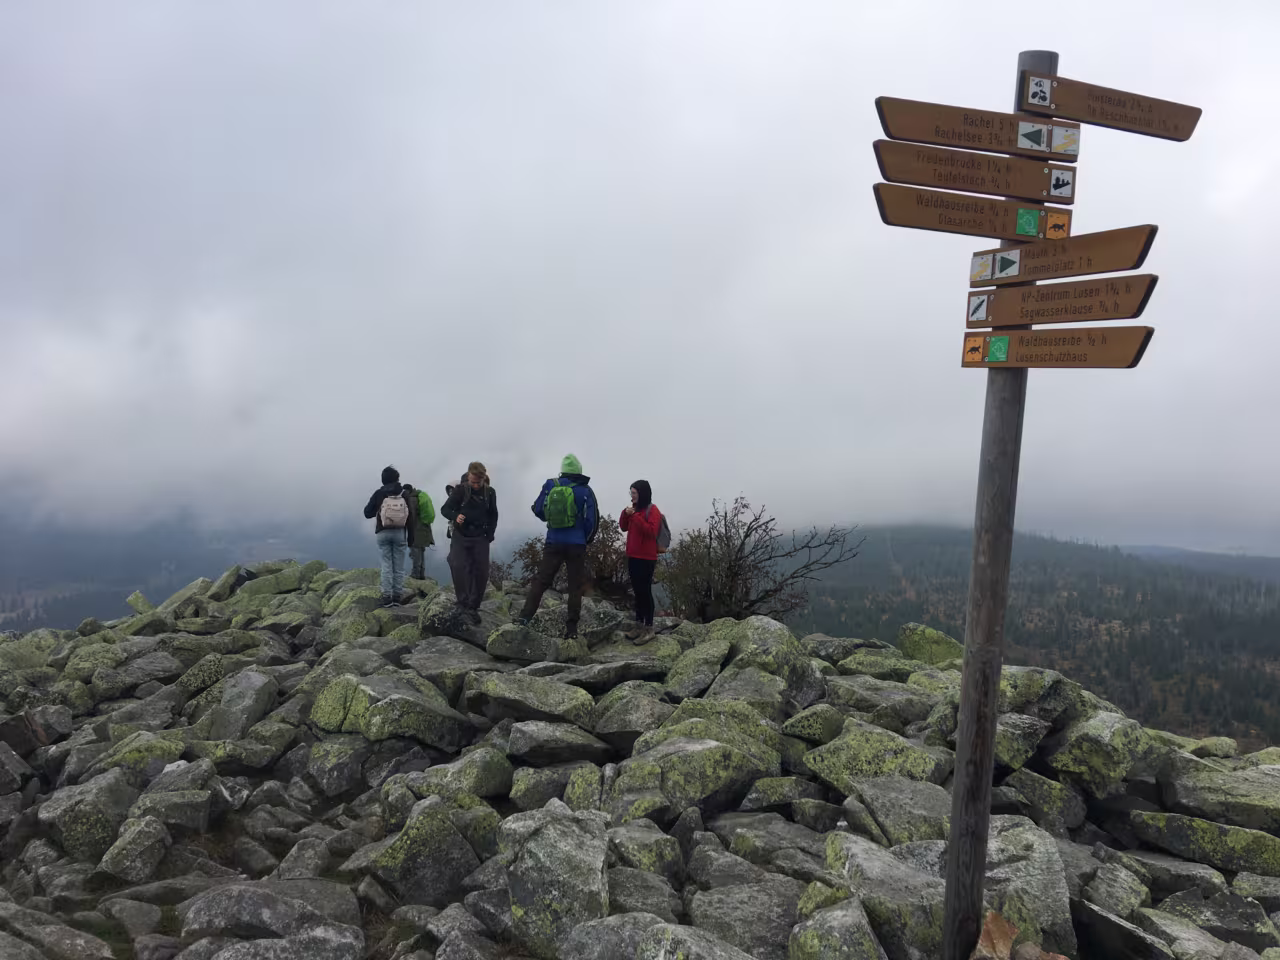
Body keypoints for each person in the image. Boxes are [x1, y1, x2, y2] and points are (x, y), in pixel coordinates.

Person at [515, 454, 599, 639]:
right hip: (576, 544)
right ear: (579, 471)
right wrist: (585, 538)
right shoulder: (585, 490)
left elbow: (539, 509)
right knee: (575, 586)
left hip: (553, 541)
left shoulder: (551, 485)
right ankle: (571, 629)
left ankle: (524, 618)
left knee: (541, 581)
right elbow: (592, 521)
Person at [441, 462, 498, 621]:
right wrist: (455, 516)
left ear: (483, 478)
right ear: (468, 476)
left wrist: (490, 534)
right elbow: (445, 509)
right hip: (461, 534)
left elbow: (493, 514)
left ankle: (473, 607)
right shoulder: (460, 490)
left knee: (481, 571)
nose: (475, 485)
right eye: (472, 482)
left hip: (480, 536)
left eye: (478, 482)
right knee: (457, 564)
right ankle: (462, 602)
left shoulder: (490, 492)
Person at [362, 465, 415, 606]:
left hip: (383, 532)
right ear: (397, 478)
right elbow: (411, 516)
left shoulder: (379, 493)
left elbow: (367, 513)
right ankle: (397, 597)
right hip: (400, 533)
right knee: (398, 567)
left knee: (386, 565)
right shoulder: (404, 493)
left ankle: (386, 598)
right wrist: (411, 538)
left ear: (383, 479)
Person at [619, 479, 662, 631]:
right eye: (631, 493)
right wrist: (625, 513)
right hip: (633, 556)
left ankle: (649, 627)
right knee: (637, 591)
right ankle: (638, 624)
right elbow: (623, 527)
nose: (632, 496)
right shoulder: (634, 509)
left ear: (642, 493)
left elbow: (651, 531)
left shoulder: (653, 510)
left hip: (647, 558)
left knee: (645, 591)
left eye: (634, 493)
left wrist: (635, 517)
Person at [404, 482, 436, 580]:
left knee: (415, 551)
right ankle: (421, 574)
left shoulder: (412, 499)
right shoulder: (419, 496)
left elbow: (411, 517)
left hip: (416, 529)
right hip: (424, 528)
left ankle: (415, 574)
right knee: (421, 550)